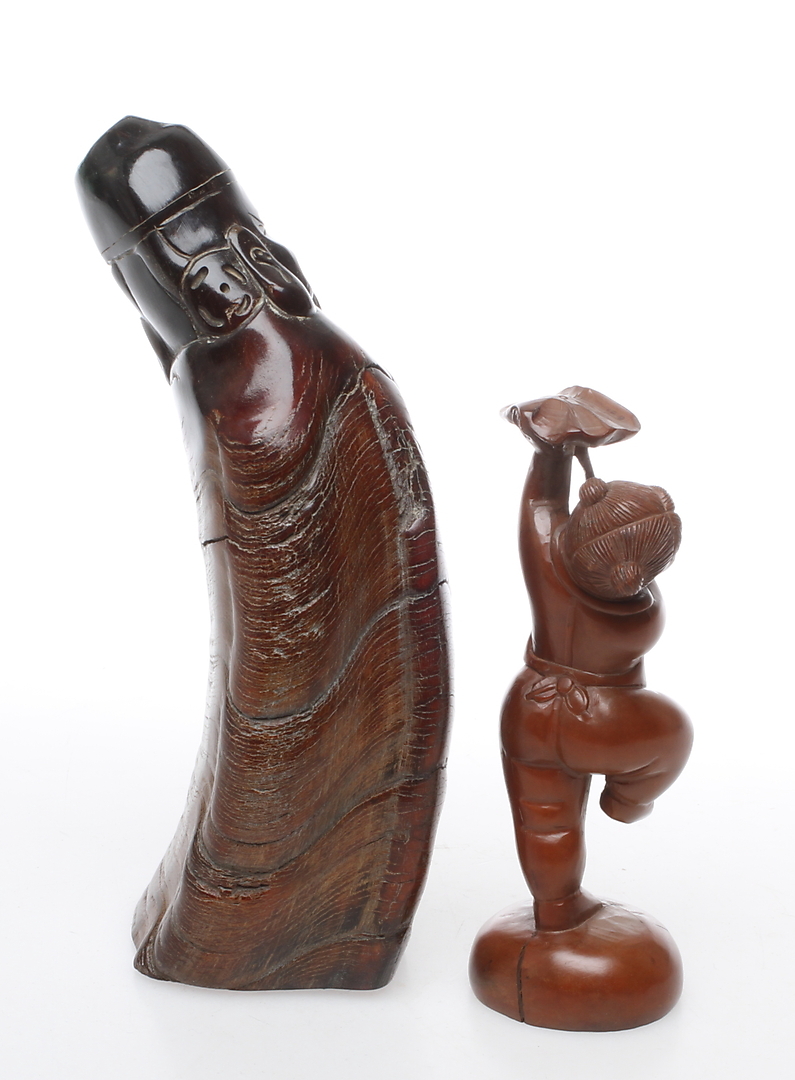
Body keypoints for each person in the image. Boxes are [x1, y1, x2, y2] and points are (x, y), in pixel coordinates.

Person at [501, 395, 693, 932]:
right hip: (603, 722)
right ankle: (627, 802)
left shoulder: (551, 566)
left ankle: (555, 908)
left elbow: (541, 505)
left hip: (531, 710)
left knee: (546, 821)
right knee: (673, 735)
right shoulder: (636, 604)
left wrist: (551, 452)